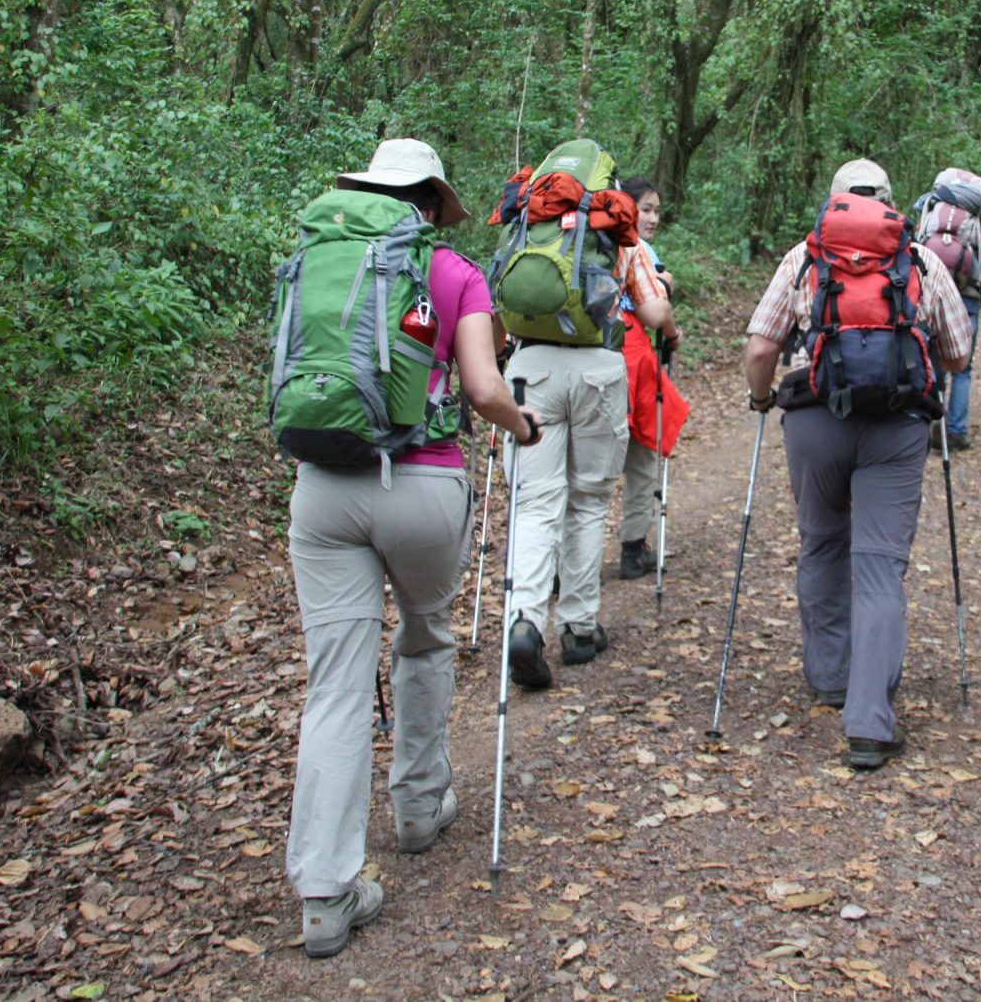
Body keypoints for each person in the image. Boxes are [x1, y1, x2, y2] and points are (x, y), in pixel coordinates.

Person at [281, 139, 543, 958]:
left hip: (322, 484)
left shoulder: (318, 254)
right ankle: (419, 808)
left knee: (335, 684)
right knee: (425, 636)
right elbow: (482, 387)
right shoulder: (453, 270)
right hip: (423, 487)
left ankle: (325, 892)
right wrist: (521, 426)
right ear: (431, 201)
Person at [743, 159, 973, 770]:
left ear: (834, 201)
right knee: (878, 568)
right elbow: (957, 355)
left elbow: (763, 345)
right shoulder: (919, 261)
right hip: (896, 430)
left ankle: (829, 677)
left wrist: (763, 398)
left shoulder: (806, 257)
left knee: (821, 543)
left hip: (815, 422)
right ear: (894, 203)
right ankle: (870, 722)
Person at [498, 144, 679, 688]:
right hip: (599, 369)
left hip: (530, 368)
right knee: (586, 500)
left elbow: (497, 303)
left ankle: (525, 620)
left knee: (535, 501)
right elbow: (651, 311)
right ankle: (578, 627)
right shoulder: (613, 230)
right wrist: (667, 312)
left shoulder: (528, 223)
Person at [615, 179, 688, 580]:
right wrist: (665, 288)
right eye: (645, 209)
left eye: (657, 210)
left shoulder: (595, 242)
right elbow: (655, 310)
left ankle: (559, 564)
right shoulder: (633, 248)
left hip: (603, 350)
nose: (653, 218)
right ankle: (632, 547)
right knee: (643, 451)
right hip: (632, 355)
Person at [911, 167, 981, 452]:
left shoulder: (930, 210)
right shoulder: (976, 218)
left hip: (930, 300)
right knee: (963, 368)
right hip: (967, 300)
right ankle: (956, 431)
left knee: (932, 362)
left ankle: (929, 421)